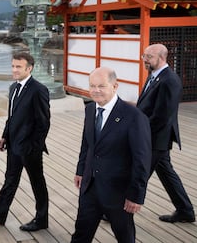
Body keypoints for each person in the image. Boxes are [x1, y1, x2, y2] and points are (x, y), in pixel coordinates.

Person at [71, 67, 152, 242]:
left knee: (125, 237)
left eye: (101, 86)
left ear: (115, 86)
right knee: (80, 235)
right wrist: (80, 170)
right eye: (92, 86)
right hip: (90, 186)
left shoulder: (134, 117)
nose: (95, 90)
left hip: (119, 192)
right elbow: (87, 144)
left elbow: (142, 160)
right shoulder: (90, 109)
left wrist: (136, 195)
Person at [137, 43, 195, 223]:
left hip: (156, 137)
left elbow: (162, 117)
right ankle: (185, 210)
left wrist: (142, 135)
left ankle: (117, 210)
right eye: (143, 56)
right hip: (152, 136)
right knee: (166, 173)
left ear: (161, 58)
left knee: (138, 174)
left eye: (148, 57)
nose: (144, 60)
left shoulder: (170, 80)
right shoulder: (154, 75)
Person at [0, 52, 50, 231]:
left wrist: (33, 147)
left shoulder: (39, 90)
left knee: (37, 183)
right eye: (13, 66)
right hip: (13, 145)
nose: (14, 70)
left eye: (18, 67)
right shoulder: (13, 87)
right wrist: (5, 136)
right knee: (10, 181)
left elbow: (43, 123)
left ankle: (41, 220)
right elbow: (11, 117)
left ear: (29, 68)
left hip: (29, 149)